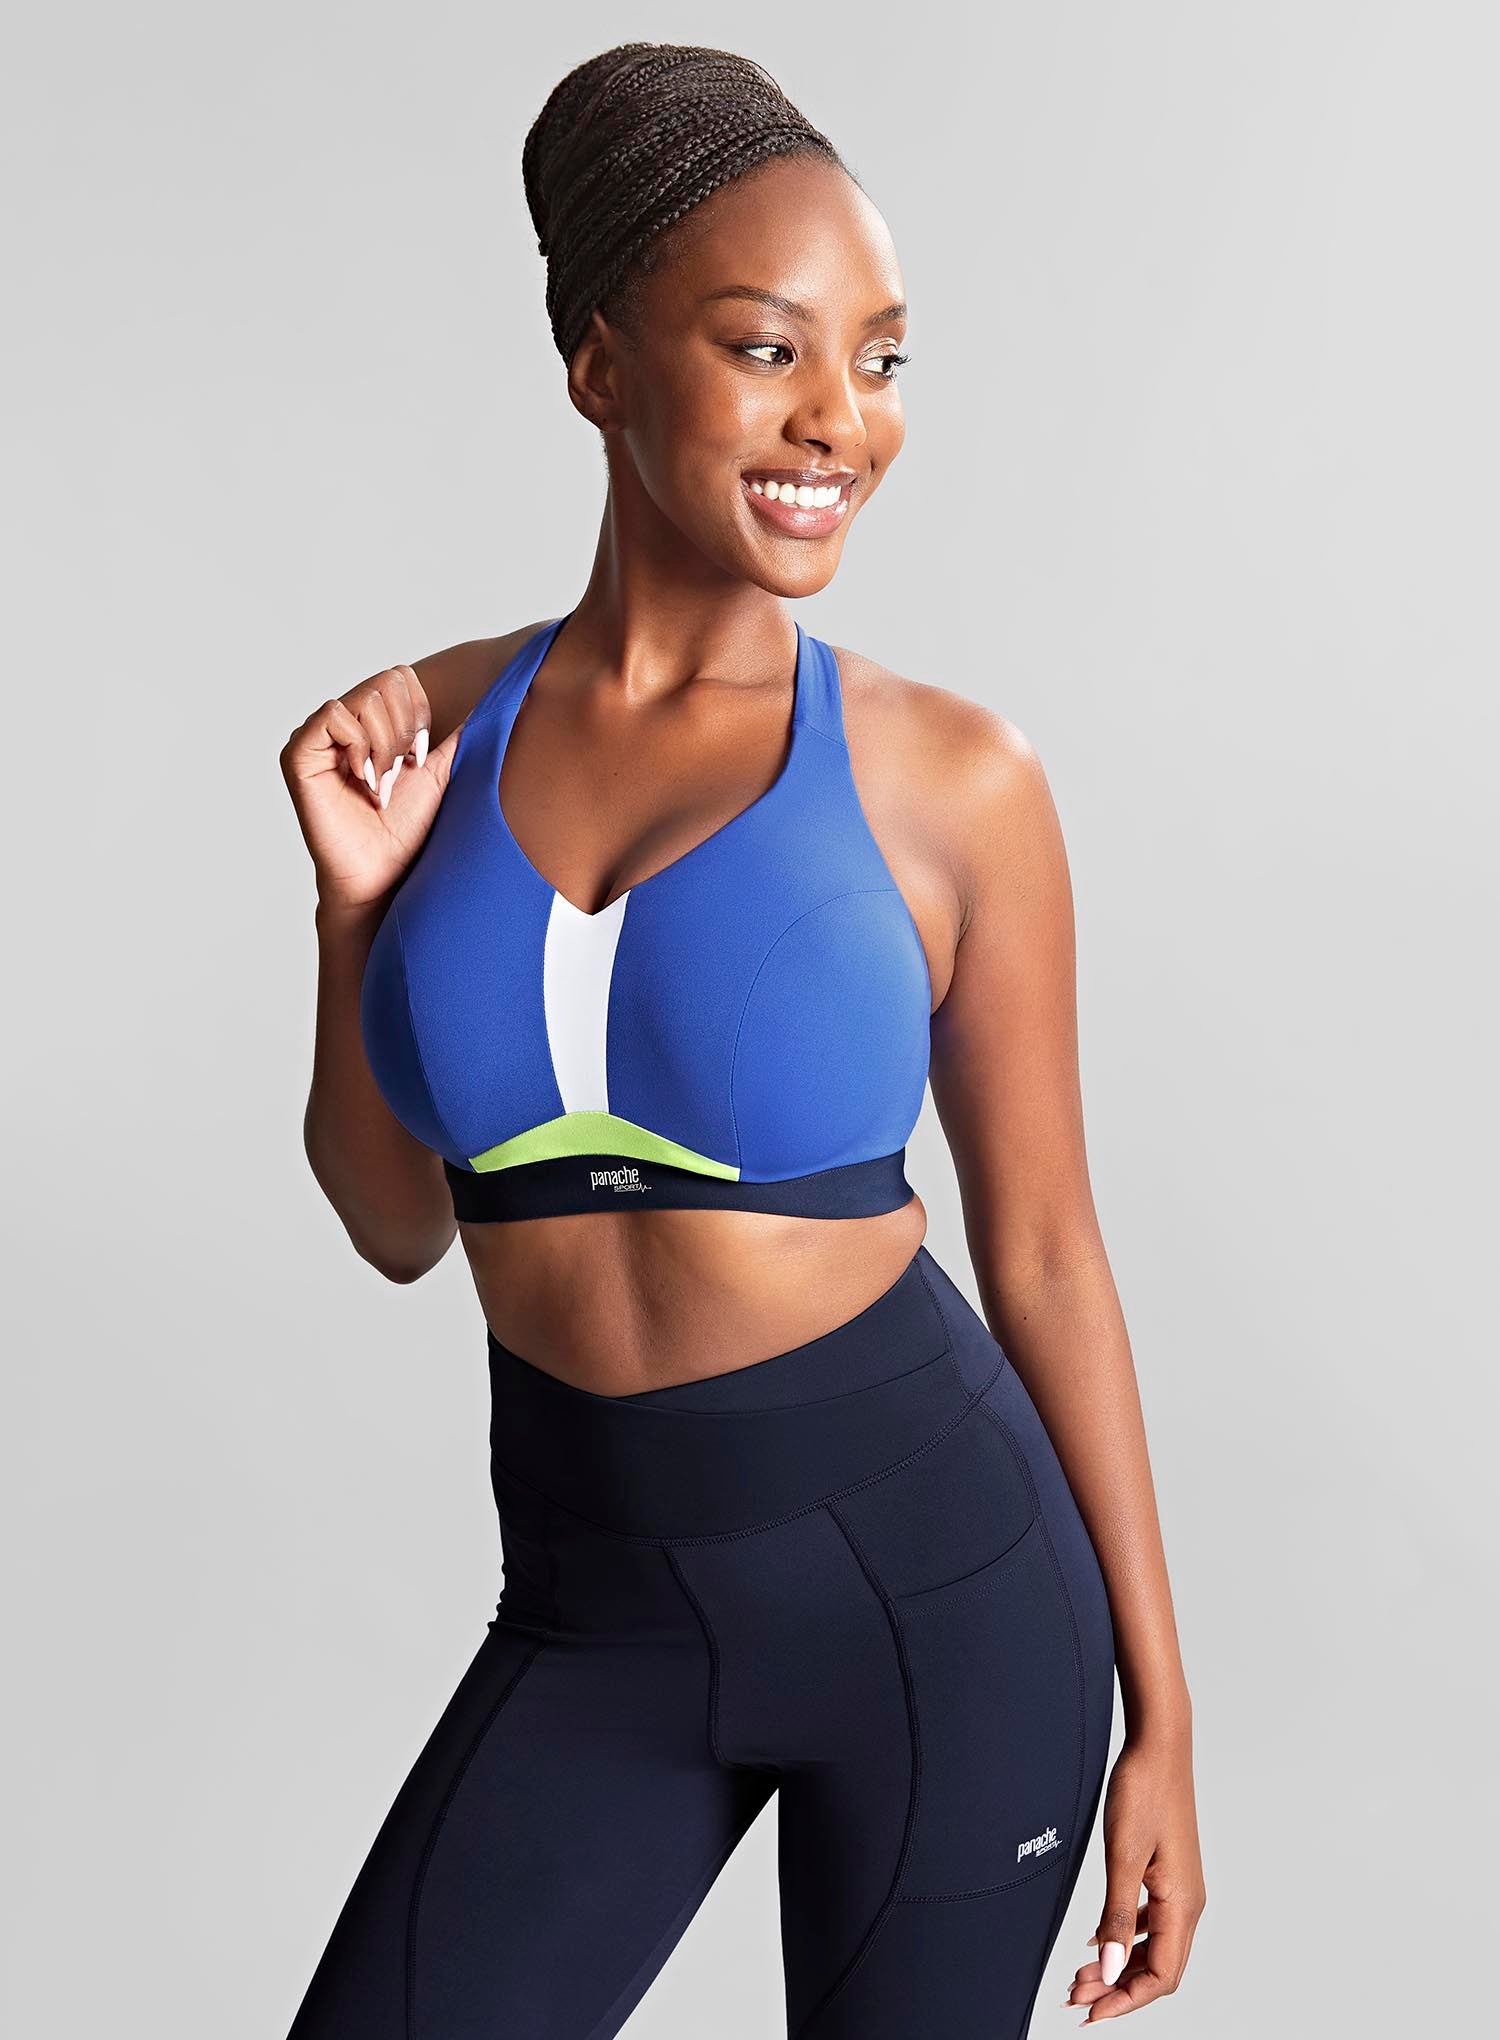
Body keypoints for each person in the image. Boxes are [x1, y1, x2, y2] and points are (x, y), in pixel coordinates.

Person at [277, 40, 1204, 2040]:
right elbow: (394, 1220)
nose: (838, 422)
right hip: (594, 1607)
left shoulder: (951, 780)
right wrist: (353, 910)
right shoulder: (430, 731)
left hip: (948, 1610)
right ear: (599, 365)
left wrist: (1167, 1716)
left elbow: (1047, 1252)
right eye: (768, 348)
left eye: (880, 360)